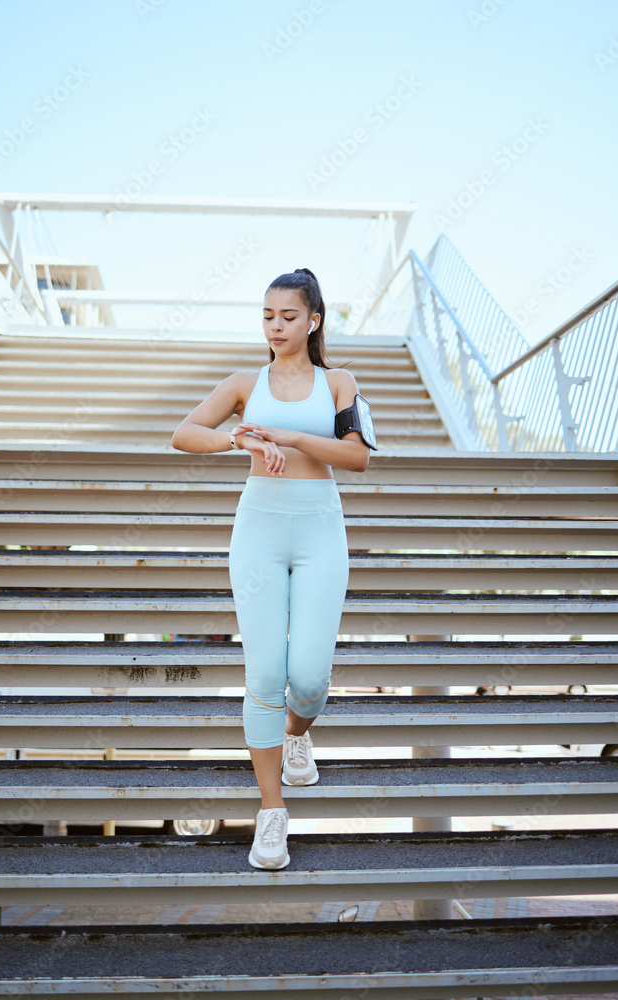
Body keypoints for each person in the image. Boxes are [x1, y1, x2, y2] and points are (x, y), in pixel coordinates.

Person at [171, 267, 372, 870]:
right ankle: (271, 813)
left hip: (319, 530)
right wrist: (242, 441)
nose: (275, 326)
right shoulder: (242, 383)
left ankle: (296, 733)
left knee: (308, 676)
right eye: (267, 316)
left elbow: (357, 457)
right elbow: (184, 433)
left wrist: (289, 435)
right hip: (258, 529)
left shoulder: (339, 381)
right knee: (264, 673)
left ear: (312, 321)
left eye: (287, 316)